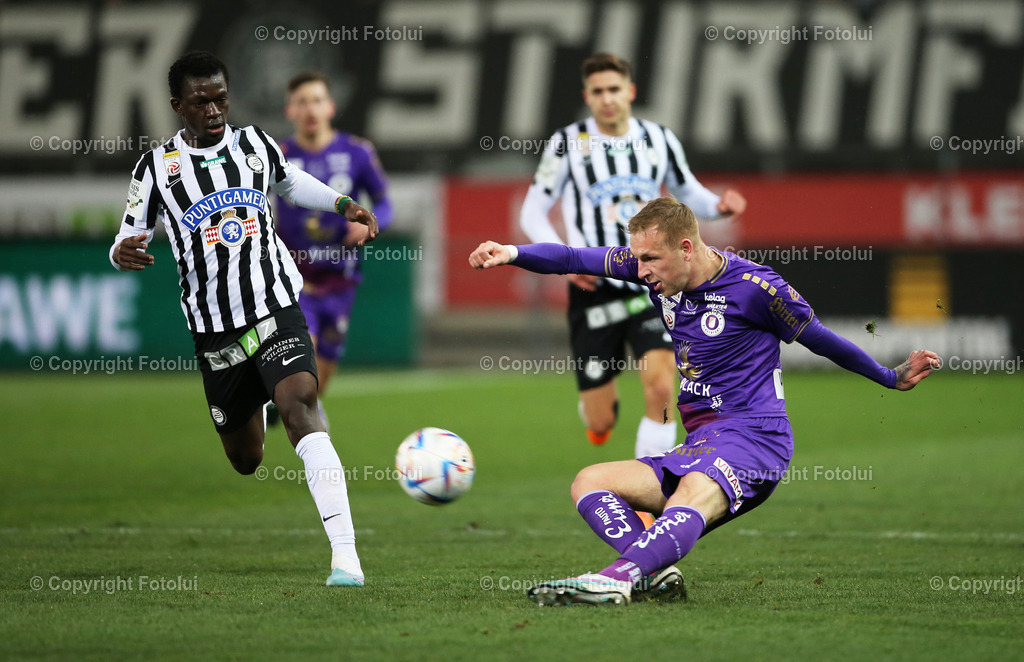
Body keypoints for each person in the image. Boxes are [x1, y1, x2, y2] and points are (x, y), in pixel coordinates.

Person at [470, 197, 940, 606]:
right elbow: (573, 256)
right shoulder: (653, 272)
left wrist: (888, 376)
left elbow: (819, 339)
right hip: (703, 441)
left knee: (693, 491)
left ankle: (614, 580)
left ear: (687, 248)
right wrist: (510, 252)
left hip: (756, 439)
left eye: (650, 259)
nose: (641, 270)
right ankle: (654, 571)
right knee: (589, 482)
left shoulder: (757, 289)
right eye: (637, 260)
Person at [109, 51, 377, 587]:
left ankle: (346, 558)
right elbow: (128, 230)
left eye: (220, 98)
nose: (213, 109)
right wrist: (121, 250)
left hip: (275, 305)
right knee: (246, 458)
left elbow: (291, 181)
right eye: (200, 101)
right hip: (216, 332)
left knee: (301, 407)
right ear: (177, 106)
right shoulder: (155, 167)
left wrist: (342, 203)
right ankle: (253, 391)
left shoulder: (254, 143)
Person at [519, 52, 747, 461]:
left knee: (661, 387)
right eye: (598, 91)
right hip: (595, 287)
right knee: (600, 420)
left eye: (614, 89)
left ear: (631, 92)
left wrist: (719, 206)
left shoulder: (658, 138)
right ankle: (598, 417)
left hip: (651, 282)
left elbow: (688, 190)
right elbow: (532, 211)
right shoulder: (566, 144)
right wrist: (566, 263)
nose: (607, 99)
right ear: (587, 97)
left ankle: (650, 487)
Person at [269, 71, 394, 430]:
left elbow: (385, 204)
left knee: (324, 372)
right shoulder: (278, 156)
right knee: (302, 358)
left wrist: (369, 222)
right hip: (295, 281)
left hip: (341, 282)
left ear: (331, 107)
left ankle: (296, 406)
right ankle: (290, 407)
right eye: (302, 101)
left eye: (317, 100)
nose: (311, 109)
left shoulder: (357, 152)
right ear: (290, 109)